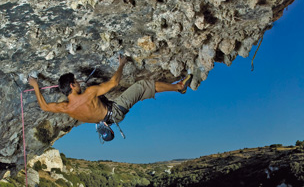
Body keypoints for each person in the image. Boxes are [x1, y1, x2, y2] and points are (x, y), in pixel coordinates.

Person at [28, 55, 193, 140]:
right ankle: (179, 87)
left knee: (136, 91)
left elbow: (44, 106)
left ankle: (178, 87)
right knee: (142, 86)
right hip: (115, 111)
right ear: (72, 85)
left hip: (109, 119)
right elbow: (114, 82)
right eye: (76, 82)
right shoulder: (89, 93)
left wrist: (36, 86)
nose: (79, 82)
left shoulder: (65, 107)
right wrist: (122, 64)